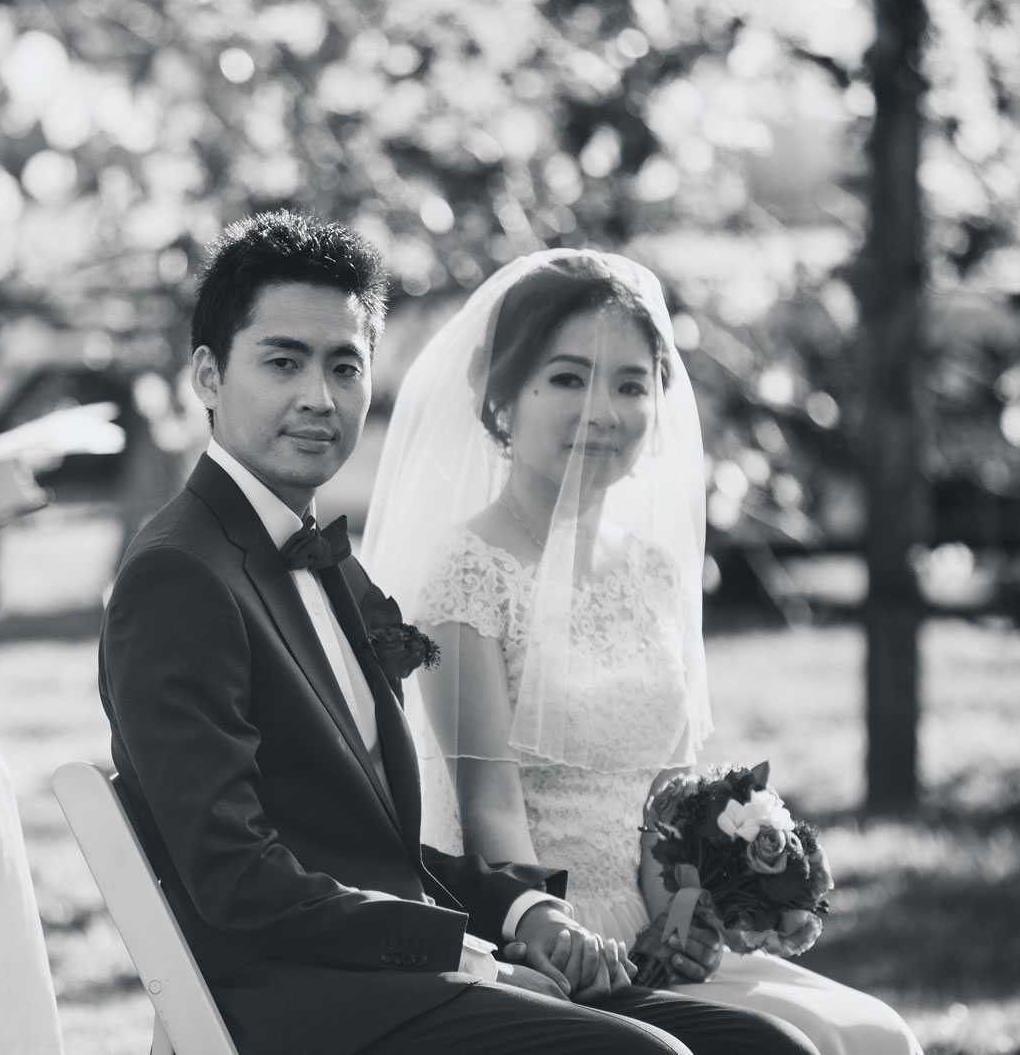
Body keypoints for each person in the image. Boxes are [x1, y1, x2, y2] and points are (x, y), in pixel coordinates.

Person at [100, 214, 818, 1055]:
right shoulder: (179, 575)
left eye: (345, 365)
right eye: (283, 361)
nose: (319, 397)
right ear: (208, 375)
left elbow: (374, 848)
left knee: (769, 1048)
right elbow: (235, 875)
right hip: (304, 1009)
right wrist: (465, 951)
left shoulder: (313, 555)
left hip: (401, 978)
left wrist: (526, 911)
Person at [363, 250, 923, 1055]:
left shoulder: (655, 571)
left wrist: (686, 918)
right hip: (546, 939)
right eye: (567, 378)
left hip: (656, 932)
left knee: (877, 1034)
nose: (603, 410)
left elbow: (667, 793)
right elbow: (488, 806)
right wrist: (561, 935)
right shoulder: (467, 575)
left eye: (630, 384)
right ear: (502, 396)